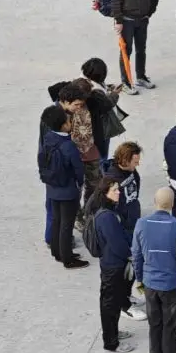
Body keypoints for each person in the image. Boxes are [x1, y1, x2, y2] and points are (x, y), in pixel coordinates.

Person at [132, 187, 176, 353]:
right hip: (171, 285)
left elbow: (136, 254)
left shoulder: (141, 224)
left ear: (154, 201)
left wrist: (139, 278)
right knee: (170, 326)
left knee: (154, 324)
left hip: (150, 284)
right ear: (173, 204)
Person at [47, 80, 114, 223]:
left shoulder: (91, 103)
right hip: (73, 155)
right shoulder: (61, 113)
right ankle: (77, 216)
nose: (79, 106)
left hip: (91, 152)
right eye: (77, 103)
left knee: (94, 185)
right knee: (75, 188)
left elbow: (107, 105)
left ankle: (88, 212)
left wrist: (97, 94)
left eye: (82, 102)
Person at [39, 105, 89, 269]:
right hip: (68, 189)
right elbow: (78, 169)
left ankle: (57, 251)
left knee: (56, 219)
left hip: (52, 187)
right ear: (64, 125)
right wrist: (79, 183)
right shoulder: (68, 145)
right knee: (67, 224)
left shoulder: (47, 138)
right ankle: (68, 258)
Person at [94, 177, 136, 353]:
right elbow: (117, 243)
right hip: (113, 266)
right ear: (105, 194)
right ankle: (111, 342)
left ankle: (114, 332)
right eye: (114, 190)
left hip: (113, 264)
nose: (119, 192)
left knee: (113, 301)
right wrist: (130, 256)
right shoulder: (107, 218)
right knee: (110, 304)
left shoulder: (109, 212)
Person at [112, 0, 159, 94]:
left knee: (141, 49)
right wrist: (118, 21)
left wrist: (149, 12)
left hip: (143, 20)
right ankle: (126, 82)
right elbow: (116, 1)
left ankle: (141, 77)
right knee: (126, 51)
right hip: (127, 21)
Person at [78, 57, 124, 160]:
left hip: (87, 128)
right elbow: (106, 104)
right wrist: (115, 94)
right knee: (101, 155)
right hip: (98, 128)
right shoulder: (95, 91)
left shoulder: (81, 81)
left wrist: (107, 88)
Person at [103, 141, 143, 234]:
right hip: (122, 226)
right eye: (135, 162)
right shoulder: (111, 180)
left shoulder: (131, 170)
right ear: (125, 161)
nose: (138, 164)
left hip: (133, 218)